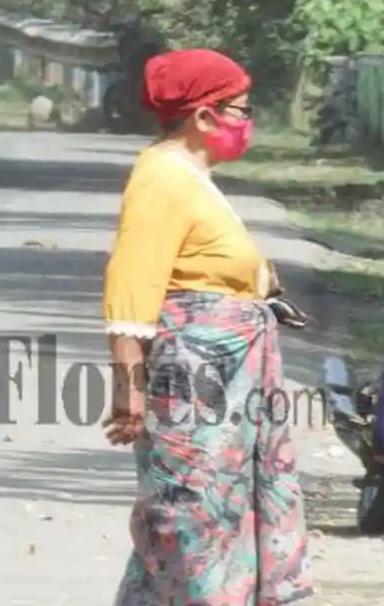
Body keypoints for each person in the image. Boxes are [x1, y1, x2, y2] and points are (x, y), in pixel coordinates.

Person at [102, 49, 313, 604]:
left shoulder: (191, 178)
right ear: (203, 116)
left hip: (228, 386)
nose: (248, 124)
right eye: (239, 111)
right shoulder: (162, 178)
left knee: (217, 513)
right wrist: (128, 387)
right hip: (197, 386)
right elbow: (132, 283)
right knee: (191, 514)